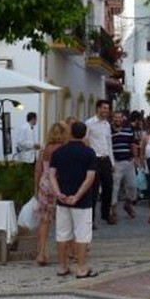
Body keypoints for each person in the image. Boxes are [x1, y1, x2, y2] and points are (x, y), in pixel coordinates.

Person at [49, 121, 99, 278]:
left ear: (70, 133)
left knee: (62, 234)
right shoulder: (89, 153)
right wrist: (77, 196)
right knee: (82, 235)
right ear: (84, 134)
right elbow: (90, 177)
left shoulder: (58, 152)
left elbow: (51, 175)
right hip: (82, 202)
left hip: (62, 200)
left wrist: (58, 193)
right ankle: (82, 268)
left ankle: (63, 266)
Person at [34, 121, 69, 266]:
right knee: (63, 220)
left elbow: (37, 169)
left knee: (44, 220)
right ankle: (67, 253)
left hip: (44, 184)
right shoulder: (63, 150)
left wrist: (36, 188)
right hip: (58, 186)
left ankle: (41, 252)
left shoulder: (45, 149)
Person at [85, 99, 115, 225]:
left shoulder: (107, 125)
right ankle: (91, 219)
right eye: (104, 108)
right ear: (98, 108)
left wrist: (112, 162)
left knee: (108, 187)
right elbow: (85, 140)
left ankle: (105, 214)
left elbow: (109, 143)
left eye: (107, 109)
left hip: (106, 159)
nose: (106, 111)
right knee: (94, 190)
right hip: (94, 159)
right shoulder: (89, 123)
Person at [111, 109, 139, 219]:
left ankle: (128, 204)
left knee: (132, 186)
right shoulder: (109, 130)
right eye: (115, 117)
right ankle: (113, 211)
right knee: (115, 188)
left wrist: (136, 158)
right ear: (113, 118)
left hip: (128, 161)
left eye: (119, 117)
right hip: (116, 163)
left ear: (123, 118)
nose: (117, 119)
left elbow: (133, 144)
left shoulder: (128, 130)